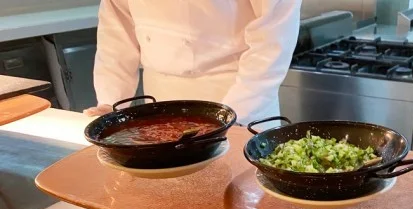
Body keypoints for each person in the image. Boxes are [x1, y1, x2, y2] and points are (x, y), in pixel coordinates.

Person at [84, 0, 302, 124]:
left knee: (238, 187)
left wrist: (233, 115)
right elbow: (116, 35)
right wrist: (112, 102)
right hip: (161, 101)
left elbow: (272, 41)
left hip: (241, 99)